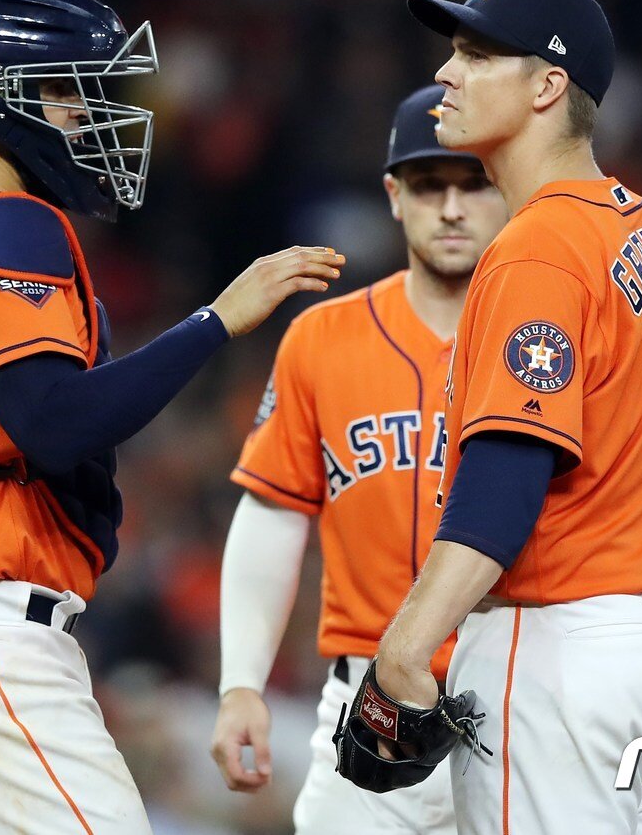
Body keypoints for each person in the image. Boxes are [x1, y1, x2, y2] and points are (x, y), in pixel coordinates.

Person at [0, 0, 344, 835]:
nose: (84, 113)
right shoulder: (8, 224)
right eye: (63, 90)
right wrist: (218, 320)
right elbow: (56, 423)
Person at [362, 0, 642, 834]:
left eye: (477, 54)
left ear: (547, 86)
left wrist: (405, 646)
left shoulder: (540, 248)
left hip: (562, 648)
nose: (446, 74)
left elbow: (506, 478)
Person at [210, 85, 509, 833]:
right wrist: (240, 683)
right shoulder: (322, 339)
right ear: (393, 195)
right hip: (369, 710)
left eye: (473, 183)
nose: (450, 207)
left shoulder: (547, 340)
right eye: (428, 184)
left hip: (520, 697)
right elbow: (274, 512)